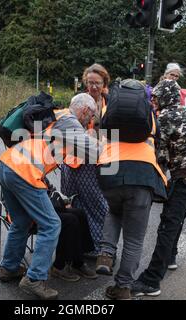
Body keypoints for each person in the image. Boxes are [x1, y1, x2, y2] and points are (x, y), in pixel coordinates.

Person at [0, 93, 98, 300]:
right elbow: (94, 150)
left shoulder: (56, 115)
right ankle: (34, 279)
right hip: (24, 172)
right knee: (51, 225)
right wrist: (117, 151)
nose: (92, 121)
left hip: (7, 165)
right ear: (86, 111)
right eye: (93, 115)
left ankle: (9, 268)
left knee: (21, 221)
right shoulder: (70, 121)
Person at [132, 80, 186, 297]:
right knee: (177, 220)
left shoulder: (165, 117)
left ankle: (151, 281)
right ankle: (171, 256)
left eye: (156, 98)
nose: (154, 102)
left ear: (165, 97)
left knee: (167, 226)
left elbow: (160, 156)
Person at [95, 79, 167, 300]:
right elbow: (158, 141)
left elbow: (102, 132)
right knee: (134, 239)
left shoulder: (110, 107)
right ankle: (123, 286)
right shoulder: (149, 114)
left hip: (110, 167)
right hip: (142, 173)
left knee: (113, 210)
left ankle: (106, 254)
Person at [61, 64, 110, 258]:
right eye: (90, 82)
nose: (93, 87)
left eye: (97, 83)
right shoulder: (80, 101)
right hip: (73, 161)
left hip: (97, 161)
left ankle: (96, 246)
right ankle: (76, 247)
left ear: (104, 83)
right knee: (73, 205)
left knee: (99, 205)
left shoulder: (108, 104)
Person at [47, 180, 97, 282]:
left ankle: (78, 261)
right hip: (32, 212)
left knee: (79, 213)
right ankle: (59, 266)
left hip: (46, 206)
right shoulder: (18, 172)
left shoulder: (35, 171)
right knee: (69, 220)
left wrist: (59, 199)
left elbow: (50, 189)